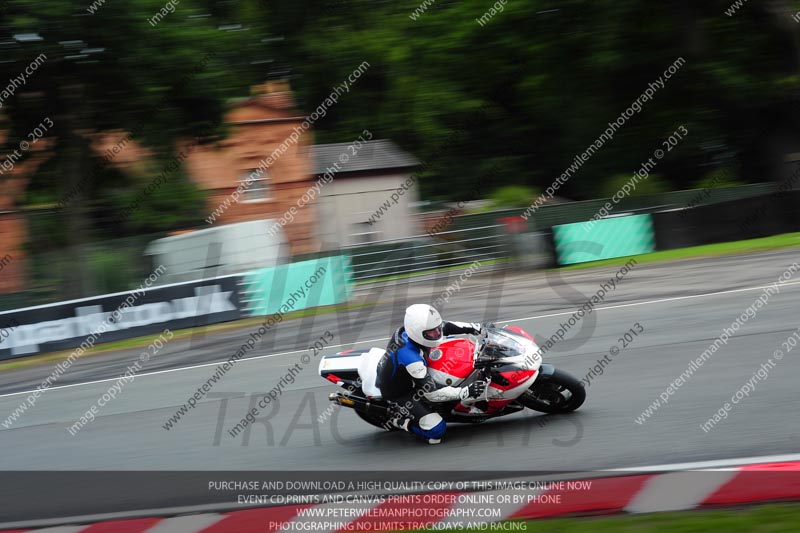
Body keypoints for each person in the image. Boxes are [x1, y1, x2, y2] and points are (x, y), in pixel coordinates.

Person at [375, 304, 487, 444]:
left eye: (437, 329)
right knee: (436, 432)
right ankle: (400, 422)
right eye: (431, 332)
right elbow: (431, 392)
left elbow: (447, 326)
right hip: (401, 392)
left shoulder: (416, 332)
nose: (437, 334)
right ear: (417, 332)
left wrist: (477, 327)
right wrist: (464, 392)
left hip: (411, 373)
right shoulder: (410, 357)